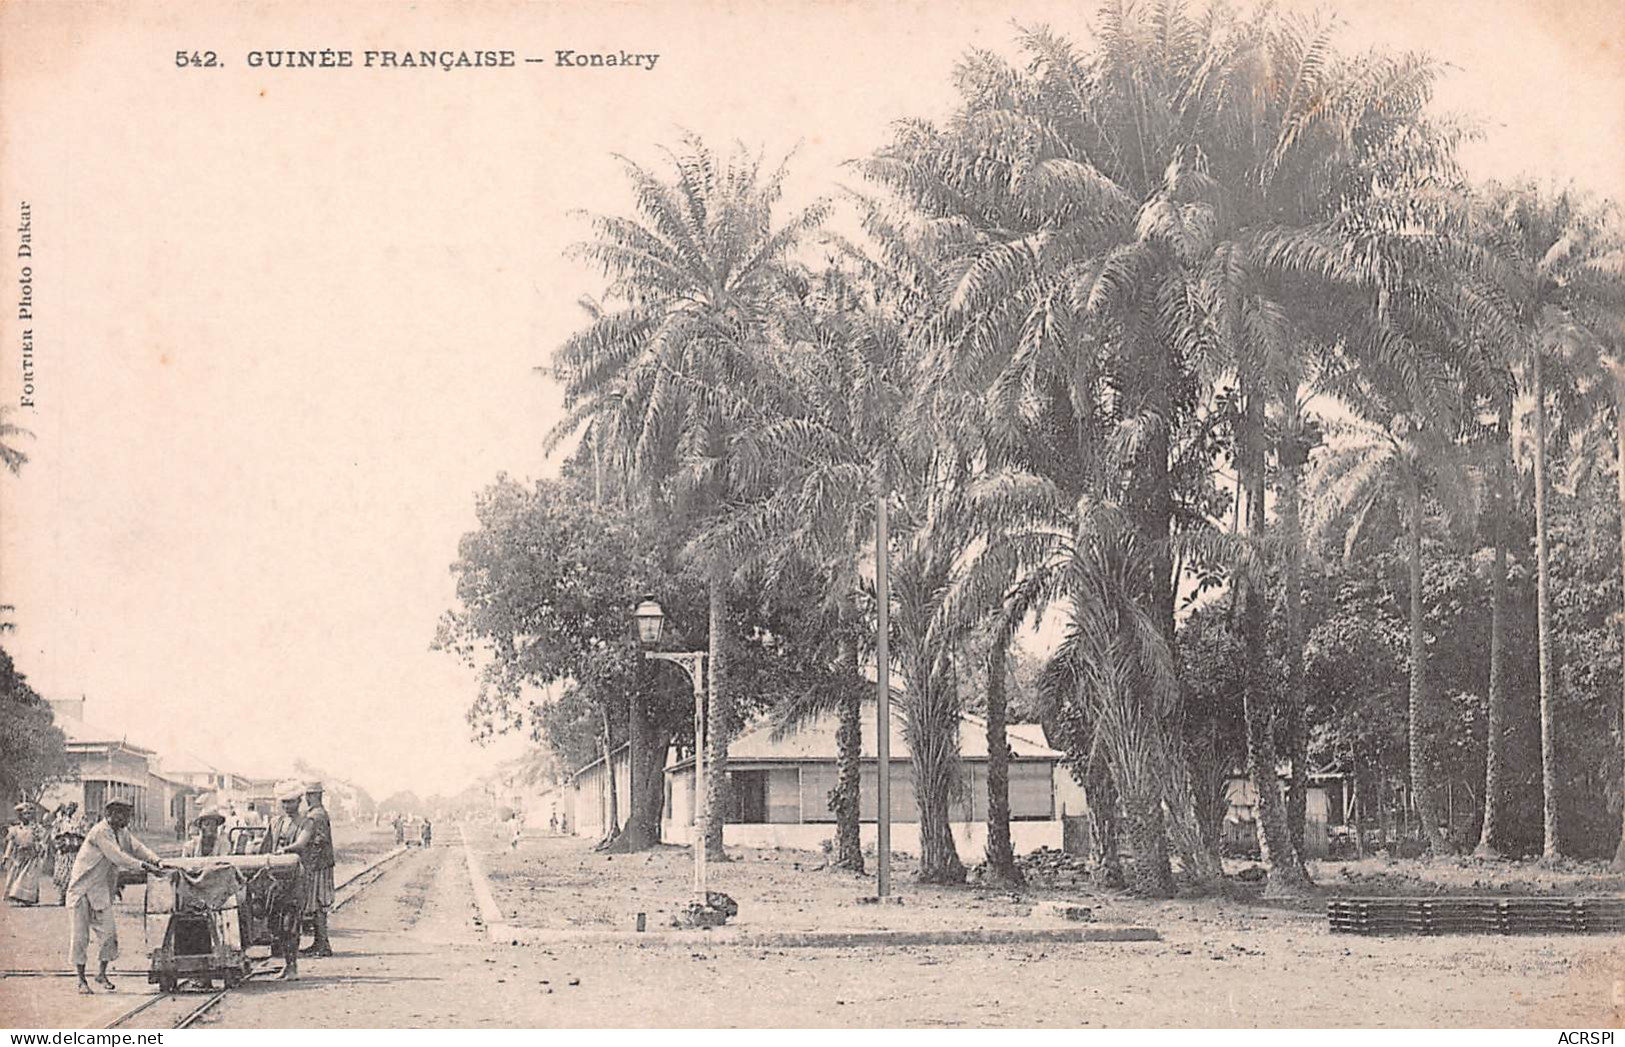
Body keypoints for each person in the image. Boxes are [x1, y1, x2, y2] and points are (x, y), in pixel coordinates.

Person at [66, 798, 163, 994]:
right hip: (81, 890)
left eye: (127, 814)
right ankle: (81, 980)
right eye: (121, 814)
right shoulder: (100, 831)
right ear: (110, 814)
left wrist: (157, 860)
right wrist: (145, 866)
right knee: (80, 937)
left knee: (109, 935)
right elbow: (117, 856)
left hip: (100, 890)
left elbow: (137, 848)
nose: (126, 818)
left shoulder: (122, 832)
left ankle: (101, 974)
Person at [260, 783, 308, 980]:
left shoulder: (306, 823)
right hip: (275, 880)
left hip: (295, 878)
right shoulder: (275, 822)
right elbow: (265, 845)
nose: (288, 806)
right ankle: (286, 964)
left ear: (299, 802)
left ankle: (292, 965)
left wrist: (285, 851)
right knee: (275, 924)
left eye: (291, 802)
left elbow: (302, 843)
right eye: (284, 803)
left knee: (290, 923)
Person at [296, 781, 335, 957]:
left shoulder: (316, 815)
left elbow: (319, 841)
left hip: (319, 865)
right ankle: (319, 942)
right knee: (318, 904)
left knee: (319, 903)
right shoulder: (319, 813)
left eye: (308, 795)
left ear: (311, 796)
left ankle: (322, 945)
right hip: (322, 863)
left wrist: (309, 862)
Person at [3, 802, 48, 905]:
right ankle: (17, 897)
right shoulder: (15, 829)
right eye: (24, 814)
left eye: (29, 814)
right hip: (18, 856)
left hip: (31, 856)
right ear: (20, 816)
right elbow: (11, 843)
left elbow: (42, 841)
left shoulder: (36, 829)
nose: (26, 816)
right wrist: (6, 855)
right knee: (16, 876)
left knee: (28, 878)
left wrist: (39, 848)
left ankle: (27, 899)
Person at [50, 803, 86, 906]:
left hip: (75, 852)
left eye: (72, 807)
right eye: (68, 807)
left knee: (74, 874)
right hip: (63, 851)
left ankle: (73, 897)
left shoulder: (80, 820)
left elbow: (84, 834)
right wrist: (60, 842)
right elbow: (54, 835)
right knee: (62, 874)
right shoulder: (60, 821)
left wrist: (76, 837)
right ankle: (62, 896)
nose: (70, 810)